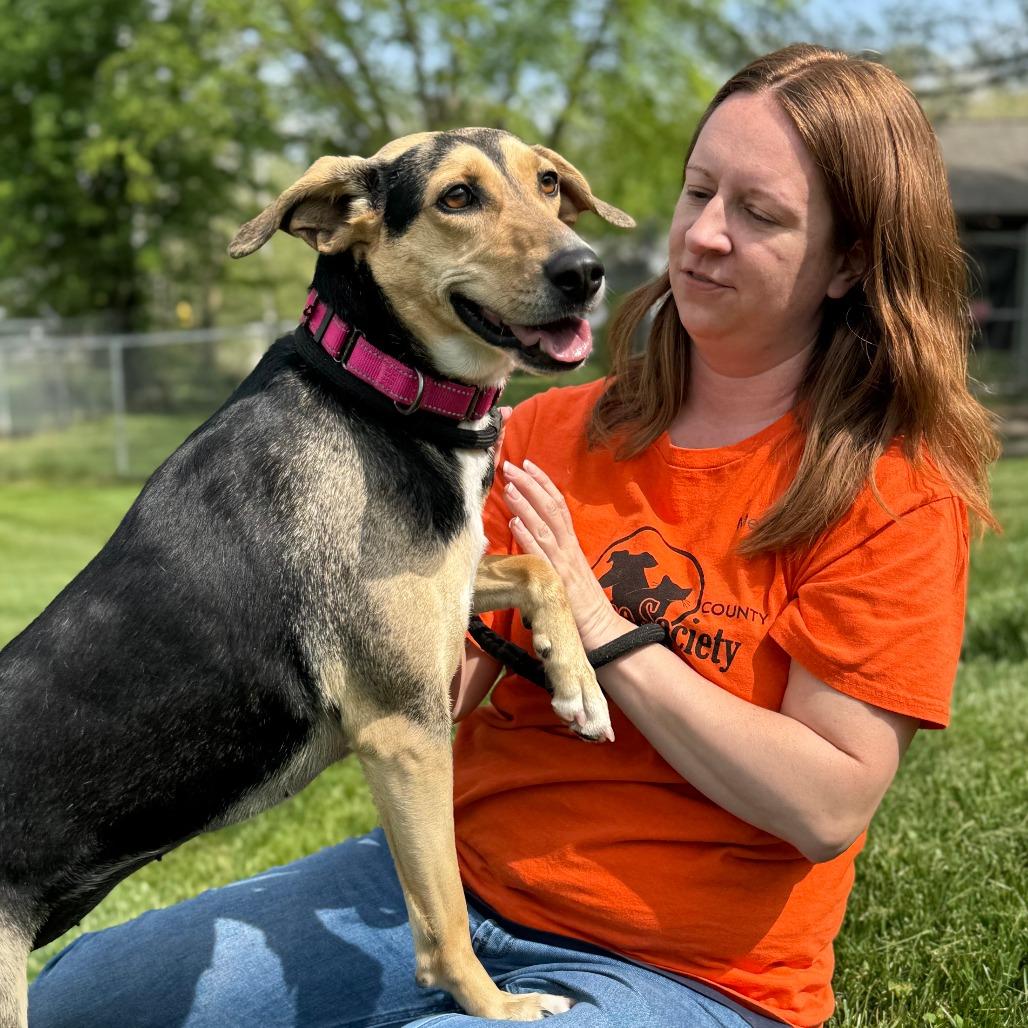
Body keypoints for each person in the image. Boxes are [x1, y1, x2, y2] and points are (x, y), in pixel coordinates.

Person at [28, 43, 999, 1028]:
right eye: (699, 191)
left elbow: (826, 804)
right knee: (78, 1000)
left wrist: (598, 623)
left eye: (759, 214)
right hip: (452, 887)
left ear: (848, 262)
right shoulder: (539, 430)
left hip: (684, 971)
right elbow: (432, 686)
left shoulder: (895, 488)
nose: (704, 235)